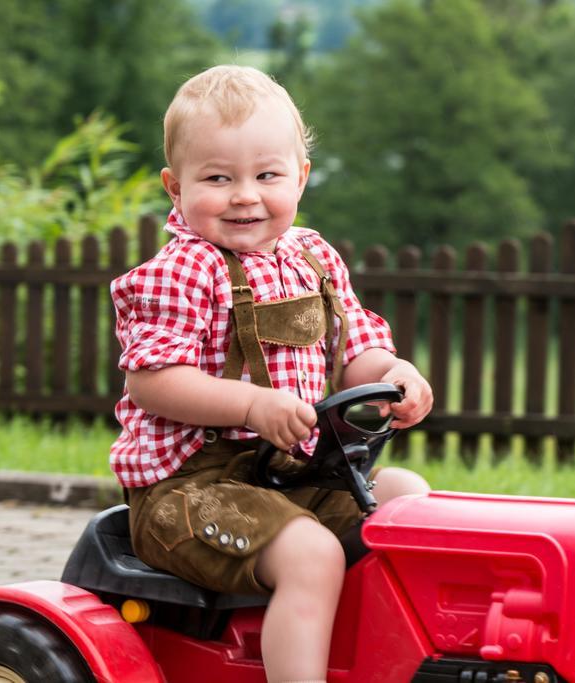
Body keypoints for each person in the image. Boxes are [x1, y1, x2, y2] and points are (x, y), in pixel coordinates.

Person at [108, 64, 432, 683]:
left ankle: (389, 661)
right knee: (310, 553)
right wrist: (252, 406)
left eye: (266, 175)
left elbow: (353, 347)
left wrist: (395, 374)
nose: (245, 195)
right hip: (188, 492)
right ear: (175, 187)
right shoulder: (183, 270)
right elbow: (152, 380)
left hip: (290, 475)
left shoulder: (313, 257)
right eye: (217, 178)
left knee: (406, 499)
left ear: (301, 177)